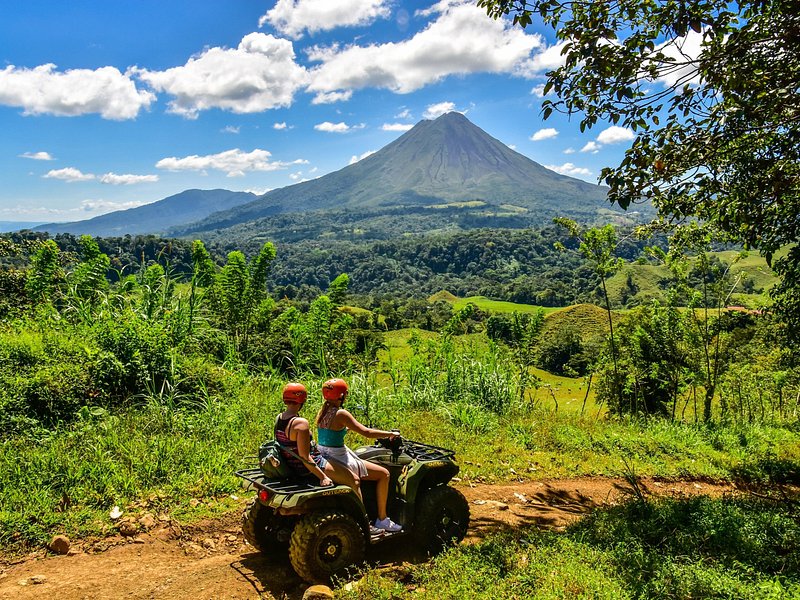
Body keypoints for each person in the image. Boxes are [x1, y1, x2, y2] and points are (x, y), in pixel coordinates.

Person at [315, 378, 403, 533]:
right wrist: (390, 433)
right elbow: (366, 432)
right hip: (339, 457)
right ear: (340, 396)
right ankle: (380, 519)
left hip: (324, 454)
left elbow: (331, 432)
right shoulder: (341, 413)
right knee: (384, 474)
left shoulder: (323, 411)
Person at [276, 382, 356, 489]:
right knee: (355, 481)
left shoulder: (279, 418)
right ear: (303, 400)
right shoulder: (300, 423)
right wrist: (323, 477)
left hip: (290, 465)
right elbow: (304, 457)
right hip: (307, 467)